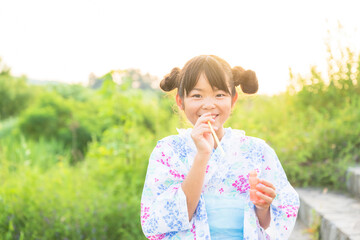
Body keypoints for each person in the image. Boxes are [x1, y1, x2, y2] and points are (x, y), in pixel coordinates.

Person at [140, 55, 300, 240]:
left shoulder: (257, 151)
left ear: (233, 100)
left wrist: (263, 207)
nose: (209, 105)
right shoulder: (168, 151)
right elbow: (164, 218)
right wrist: (202, 155)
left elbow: (267, 224)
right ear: (180, 101)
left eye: (220, 95)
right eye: (197, 95)